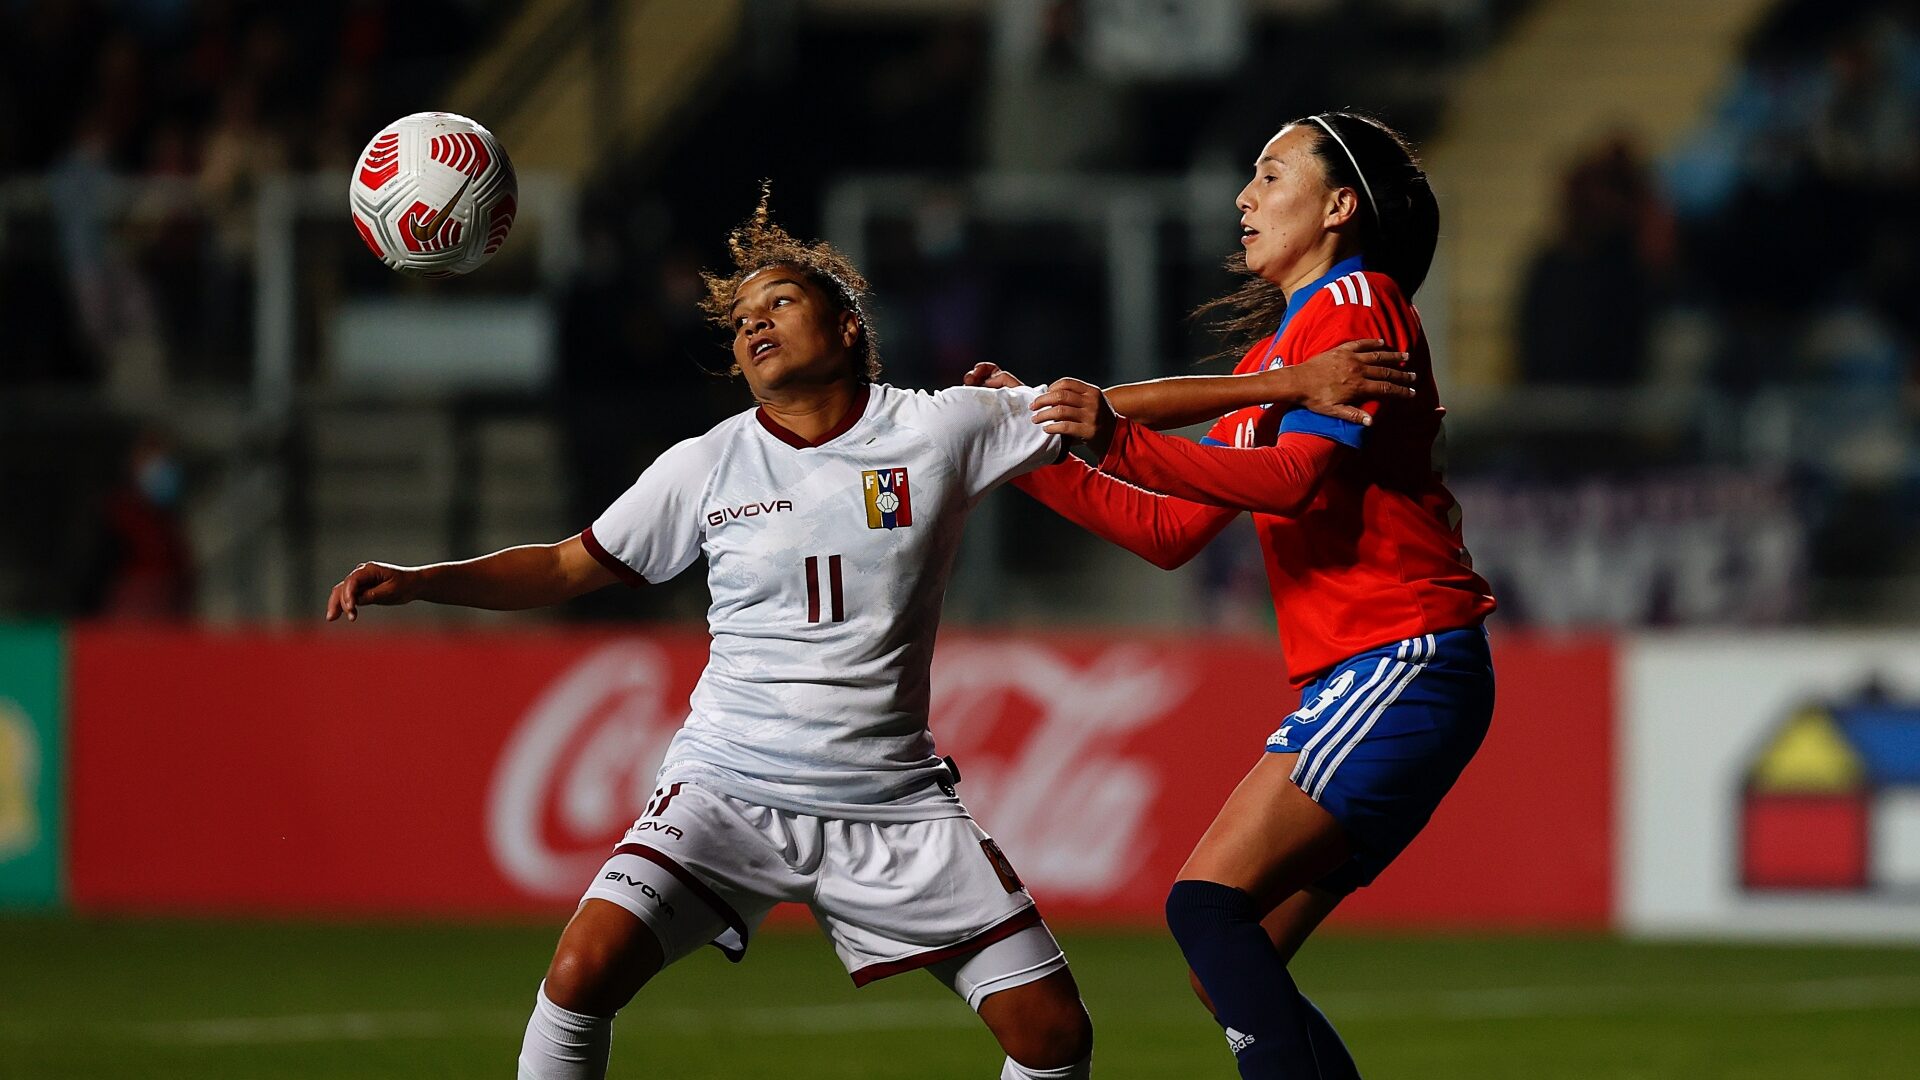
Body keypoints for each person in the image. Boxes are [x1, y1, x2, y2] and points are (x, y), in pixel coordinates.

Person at [323, 191, 1407, 1080]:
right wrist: (425, 579)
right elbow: (568, 565)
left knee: (1056, 1037)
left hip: (890, 804)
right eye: (740, 317)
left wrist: (1293, 381)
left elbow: (1104, 405)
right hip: (727, 784)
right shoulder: (706, 465)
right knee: (581, 972)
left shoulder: (935, 428)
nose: (752, 324)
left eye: (779, 302)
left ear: (845, 325)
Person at [970, 112, 1496, 1079]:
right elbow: (1169, 532)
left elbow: (1298, 480)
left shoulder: (1357, 299)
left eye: (1269, 173)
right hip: (1387, 670)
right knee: (1228, 961)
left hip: (1403, 655)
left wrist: (1114, 433)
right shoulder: (1275, 363)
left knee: (1204, 905)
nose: (1244, 198)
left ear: (1339, 207)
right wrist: (1028, 460)